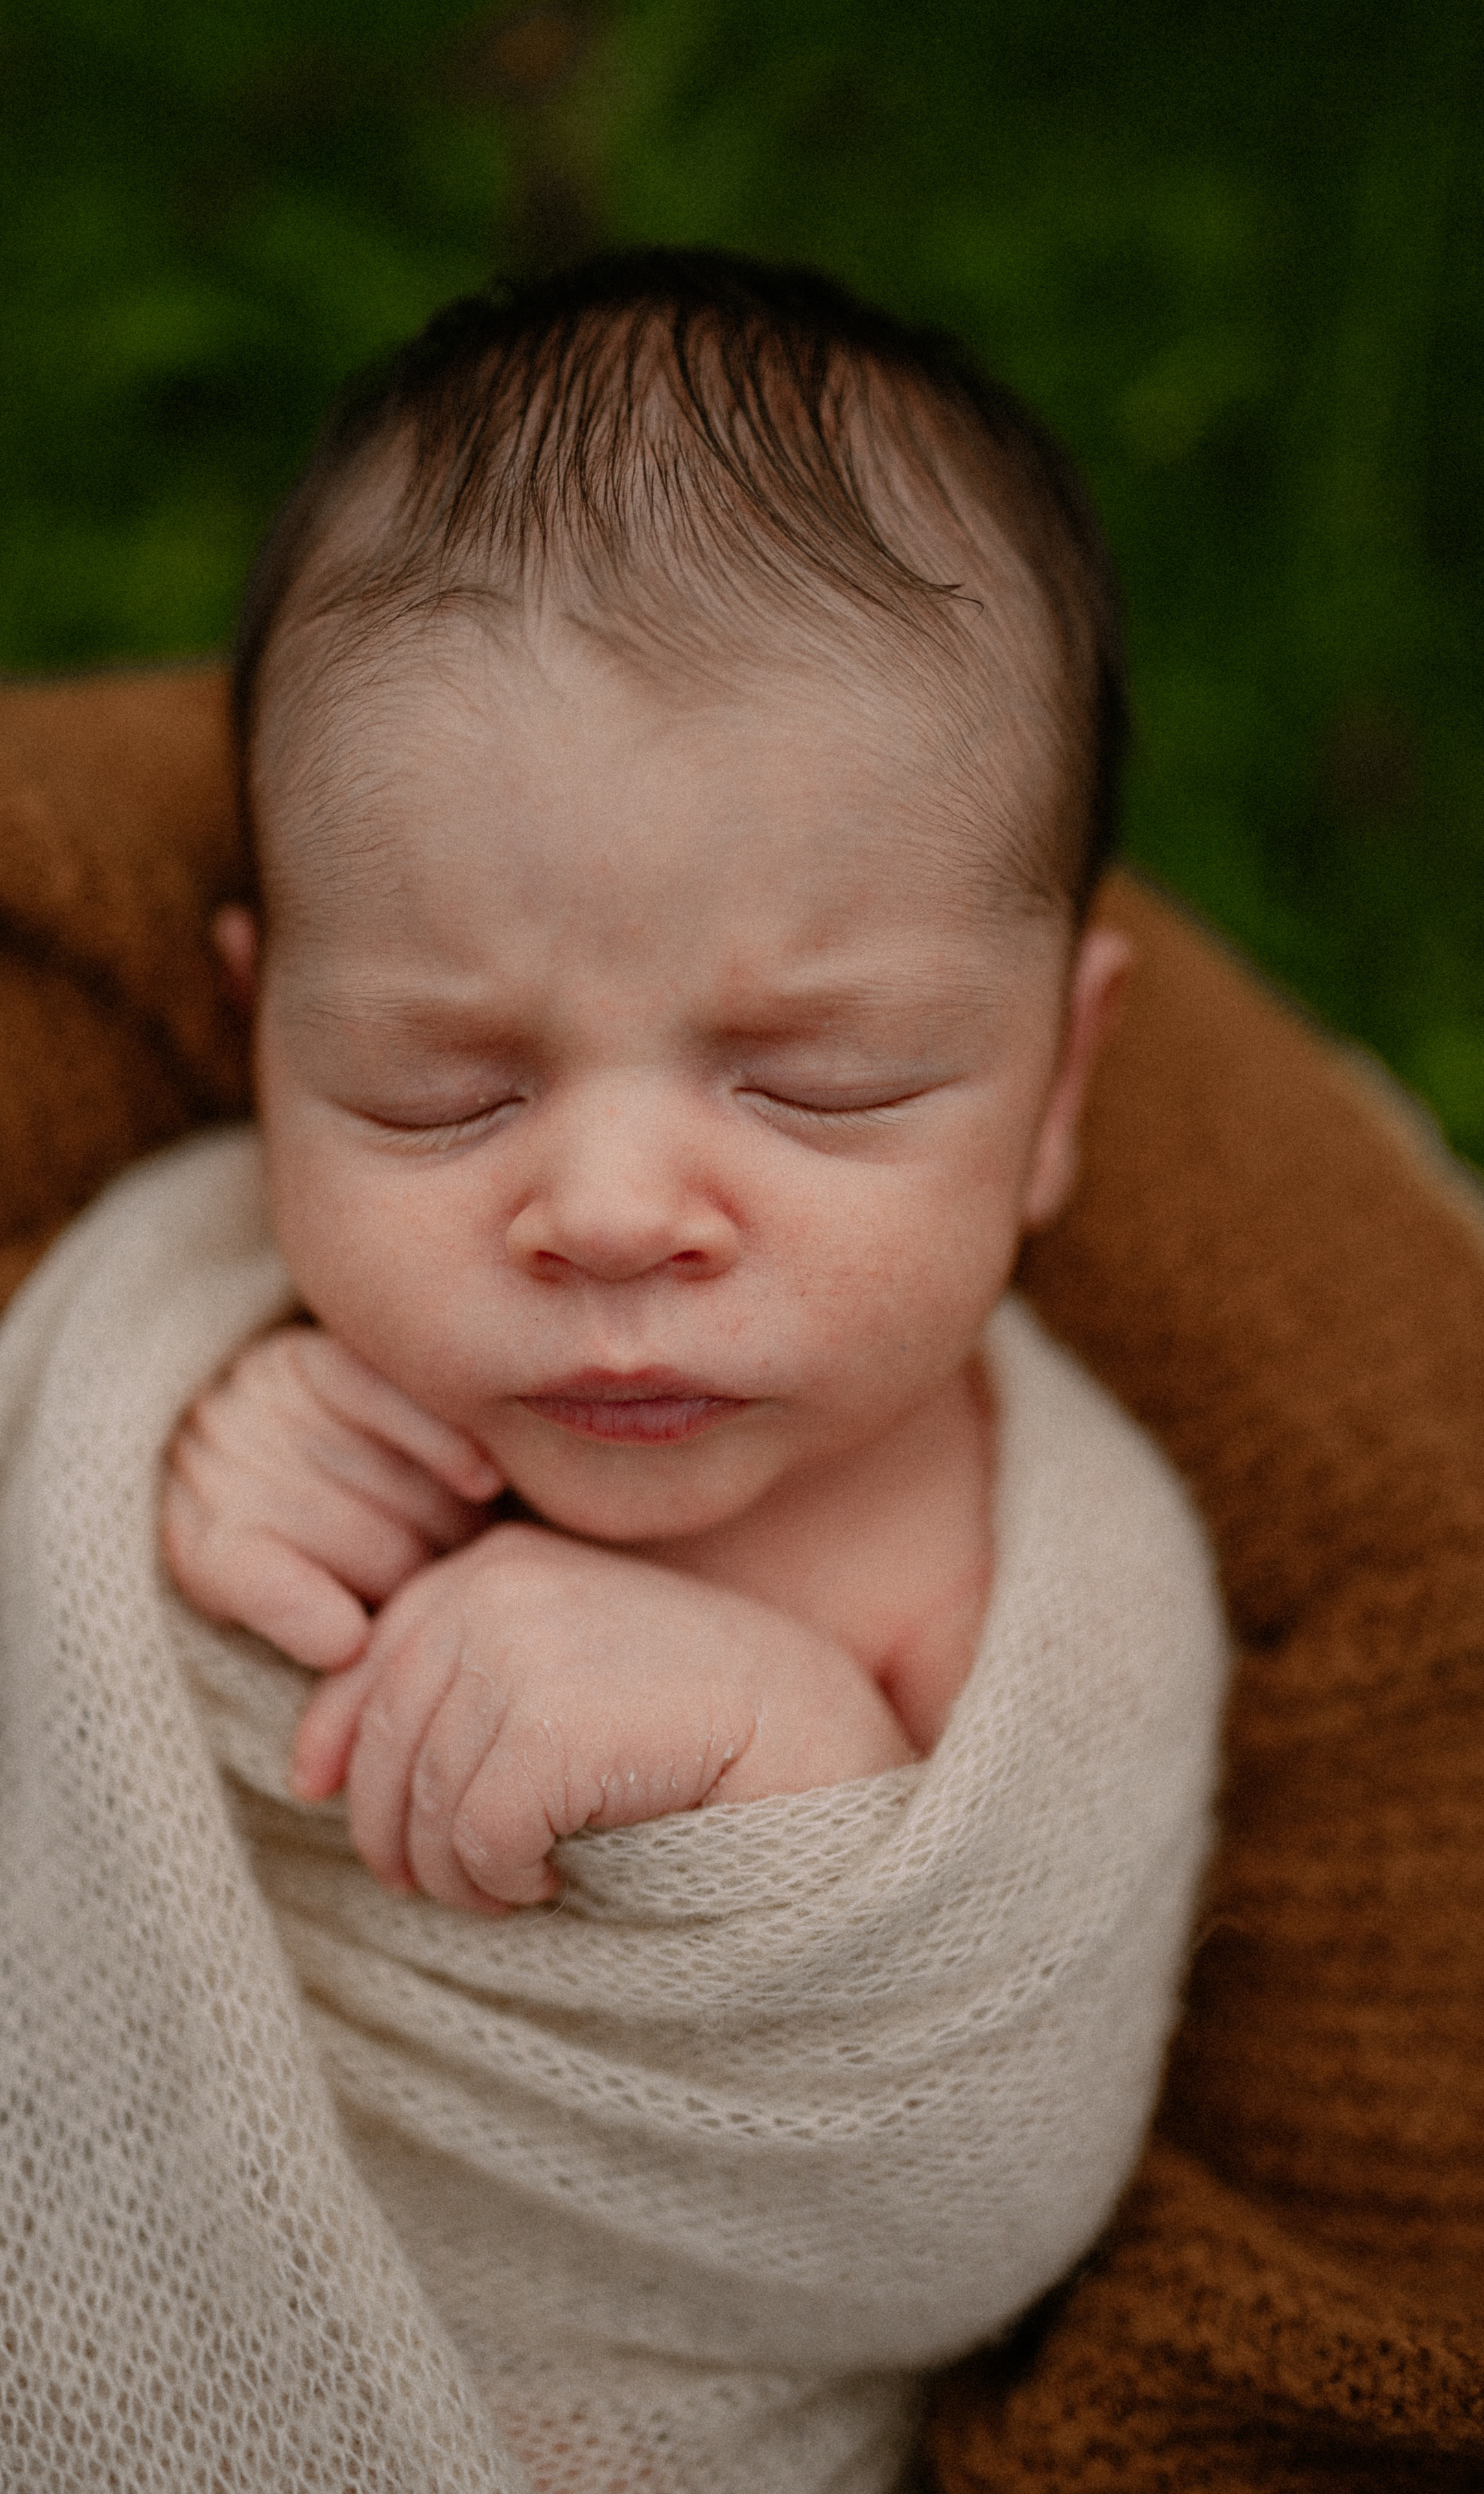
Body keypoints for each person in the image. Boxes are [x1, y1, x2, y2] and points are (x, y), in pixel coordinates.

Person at [147, 248, 1227, 2488]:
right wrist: (184, 1487)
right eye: (439, 1092)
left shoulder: (1029, 1551)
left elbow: (991, 2152)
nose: (616, 1215)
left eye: (817, 1086)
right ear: (256, 1034)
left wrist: (780, 1741)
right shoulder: (257, 1318)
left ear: (1055, 1094)